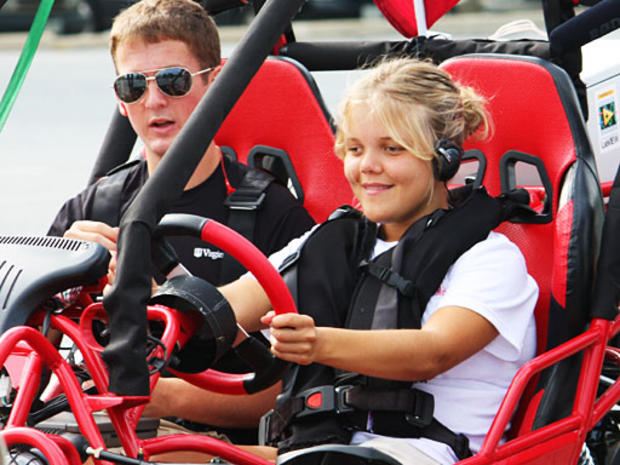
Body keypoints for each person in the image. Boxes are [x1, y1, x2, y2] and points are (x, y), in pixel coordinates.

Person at [191, 57, 536, 465]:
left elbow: (433, 351)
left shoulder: (490, 259)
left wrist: (318, 343)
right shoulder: (330, 241)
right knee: (138, 453)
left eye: (392, 149)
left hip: (424, 453)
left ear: (443, 158)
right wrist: (152, 306)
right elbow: (223, 307)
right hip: (321, 451)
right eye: (355, 149)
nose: (367, 166)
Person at [47, 0, 314, 446]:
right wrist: (62, 283)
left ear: (215, 84)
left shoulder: (273, 216)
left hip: (214, 443)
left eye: (172, 80)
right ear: (119, 98)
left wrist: (163, 397)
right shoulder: (91, 208)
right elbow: (24, 349)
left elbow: (297, 390)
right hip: (86, 430)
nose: (153, 100)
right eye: (133, 85)